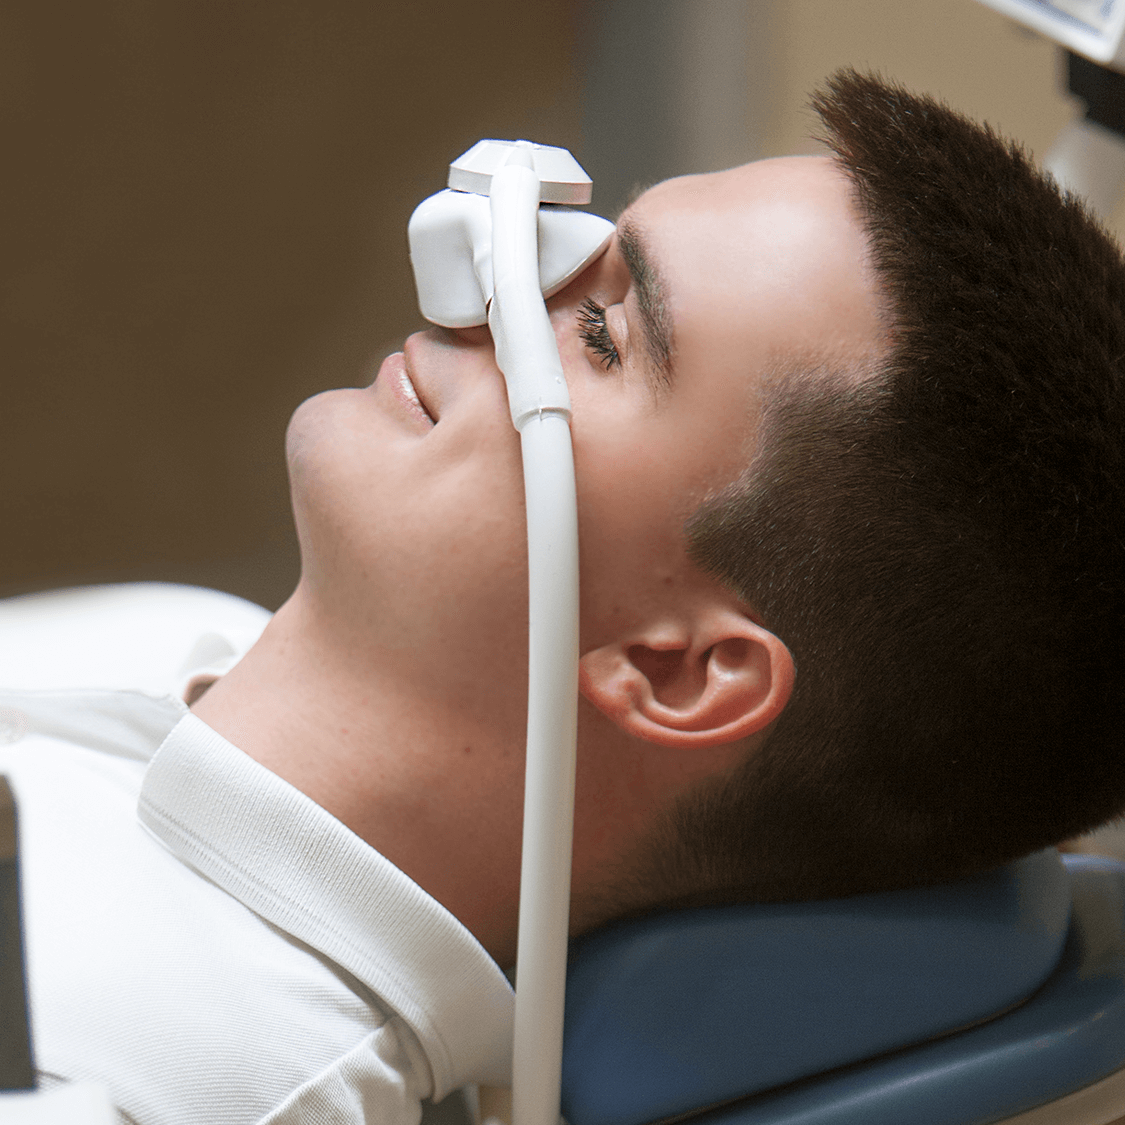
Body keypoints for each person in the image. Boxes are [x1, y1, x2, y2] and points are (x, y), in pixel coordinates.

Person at [1, 67, 1123, 1123]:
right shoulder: (164, 640)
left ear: (677, 671)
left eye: (600, 333)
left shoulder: (159, 1077)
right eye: (567, 249)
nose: (492, 292)